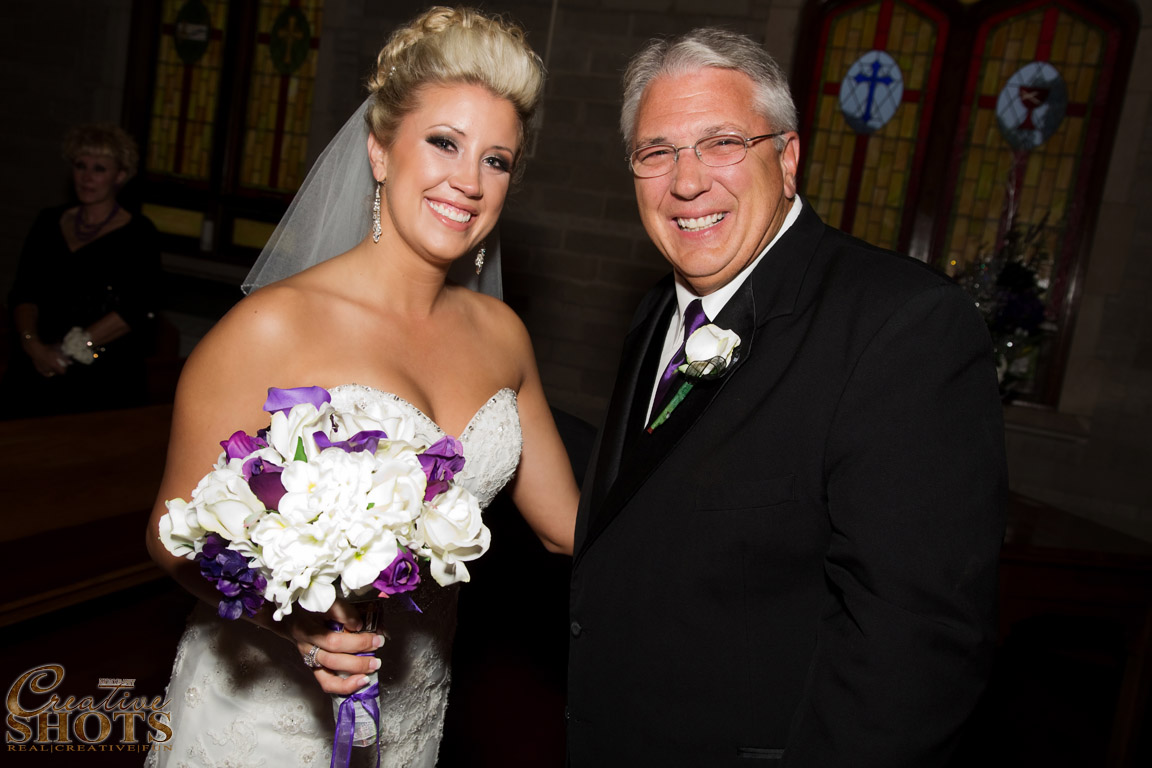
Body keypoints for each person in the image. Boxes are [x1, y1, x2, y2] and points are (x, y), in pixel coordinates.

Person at [145, 7, 578, 766]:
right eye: (444, 142)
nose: (468, 182)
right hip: (264, 716)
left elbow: (565, 525)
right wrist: (294, 624)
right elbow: (169, 534)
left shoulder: (503, 336)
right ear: (379, 150)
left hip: (410, 712)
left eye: (497, 160)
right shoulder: (272, 328)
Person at [567, 28, 1007, 766]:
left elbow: (913, 653)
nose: (687, 182)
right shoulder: (655, 313)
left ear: (788, 157)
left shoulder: (902, 325)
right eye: (656, 152)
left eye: (722, 143)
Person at [3, 123, 160, 418]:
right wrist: (33, 346)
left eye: (99, 168)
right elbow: (24, 291)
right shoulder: (48, 221)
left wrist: (67, 350)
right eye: (80, 166)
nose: (87, 177)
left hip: (102, 375)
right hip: (35, 362)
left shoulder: (139, 233)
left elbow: (136, 307)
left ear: (120, 175)